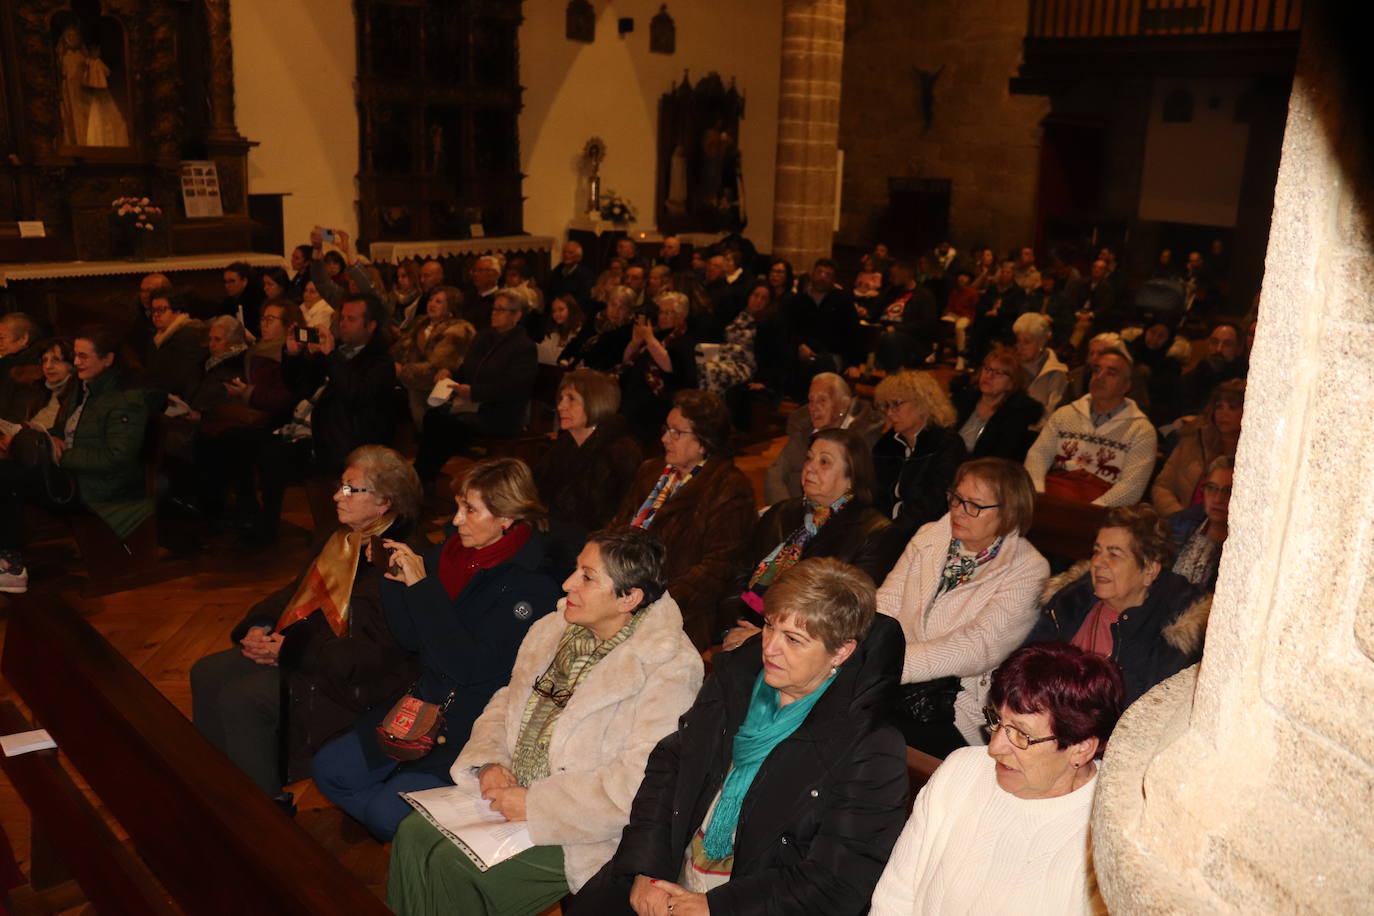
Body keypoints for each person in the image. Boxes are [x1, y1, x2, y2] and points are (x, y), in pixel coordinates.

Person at [387, 528, 704, 916]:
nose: (568, 583)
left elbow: (640, 784)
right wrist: (490, 762)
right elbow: (508, 700)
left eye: (587, 577)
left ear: (629, 598)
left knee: (452, 868)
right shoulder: (553, 628)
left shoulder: (669, 666)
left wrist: (536, 805)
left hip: (589, 830)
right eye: (575, 570)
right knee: (412, 836)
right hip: (512, 797)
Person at [567, 558, 910, 916]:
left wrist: (714, 908)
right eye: (769, 626)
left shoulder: (870, 747)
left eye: (794, 639)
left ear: (841, 651)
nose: (771, 648)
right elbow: (670, 768)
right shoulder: (738, 680)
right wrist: (646, 867)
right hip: (669, 874)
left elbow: (836, 883)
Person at [311, 458, 565, 840]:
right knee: (330, 769)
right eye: (459, 505)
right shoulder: (452, 555)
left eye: (470, 510)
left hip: (471, 726)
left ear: (506, 518)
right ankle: (427, 838)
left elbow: (468, 665)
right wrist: (396, 582)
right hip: (423, 703)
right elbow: (411, 639)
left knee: (385, 813)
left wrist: (421, 588)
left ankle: (428, 842)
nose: (457, 520)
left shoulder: (532, 587)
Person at [190, 446, 424, 810]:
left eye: (350, 489)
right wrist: (261, 624)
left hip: (354, 681)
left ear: (383, 503)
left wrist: (289, 649)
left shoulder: (397, 561)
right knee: (207, 671)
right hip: (309, 650)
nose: (336, 496)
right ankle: (221, 784)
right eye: (340, 486)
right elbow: (297, 589)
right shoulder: (341, 538)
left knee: (242, 697)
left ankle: (266, 807)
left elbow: (363, 657)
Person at [869, 643, 1124, 915]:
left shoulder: (1109, 834)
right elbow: (894, 898)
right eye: (998, 721)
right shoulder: (961, 770)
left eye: (1021, 734)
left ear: (1081, 748)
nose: (995, 747)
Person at [876, 458, 1049, 755]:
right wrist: (872, 653)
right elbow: (887, 602)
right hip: (890, 681)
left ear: (1008, 512)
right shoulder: (930, 535)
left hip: (957, 705)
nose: (958, 509)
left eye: (975, 505)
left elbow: (978, 647)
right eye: (956, 498)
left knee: (876, 742)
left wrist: (890, 663)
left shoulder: (1028, 569)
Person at [0, 326, 157, 594]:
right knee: (7, 470)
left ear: (107, 360)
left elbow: (117, 458)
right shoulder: (84, 388)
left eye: (83, 357)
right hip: (74, 474)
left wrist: (62, 454)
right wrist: (52, 438)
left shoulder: (125, 400)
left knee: (6, 476)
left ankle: (11, 564)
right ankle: (7, 555)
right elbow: (67, 427)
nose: (76, 362)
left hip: (100, 485)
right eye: (76, 356)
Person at [721, 427, 904, 647]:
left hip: (806, 646)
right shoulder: (780, 513)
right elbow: (740, 573)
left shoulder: (875, 533)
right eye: (809, 458)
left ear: (851, 478)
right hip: (745, 630)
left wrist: (763, 637)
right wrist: (731, 626)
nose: (810, 468)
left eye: (824, 462)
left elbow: (841, 613)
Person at [1025, 504, 1210, 704]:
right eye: (1097, 551)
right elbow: (1027, 667)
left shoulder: (1173, 637)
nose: (1097, 562)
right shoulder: (1071, 601)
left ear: (1149, 570)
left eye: (1114, 554)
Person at [613, 389, 755, 649]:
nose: (665, 438)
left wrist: (655, 602)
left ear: (704, 441)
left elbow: (717, 567)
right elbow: (618, 527)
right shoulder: (651, 472)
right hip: (622, 590)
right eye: (666, 428)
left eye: (677, 432)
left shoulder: (729, 488)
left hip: (680, 613)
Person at [413, 288, 538, 486]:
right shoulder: (484, 337)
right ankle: (424, 476)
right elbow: (466, 368)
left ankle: (423, 477)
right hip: (473, 405)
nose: (494, 313)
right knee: (433, 417)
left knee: (447, 424)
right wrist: (450, 374)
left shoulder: (523, 347)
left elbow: (514, 388)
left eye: (501, 309)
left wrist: (474, 392)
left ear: (517, 315)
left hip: (501, 413)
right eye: (494, 308)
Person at [1025, 346, 1158, 506]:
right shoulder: (1065, 414)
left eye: (1111, 373)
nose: (1099, 377)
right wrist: (1038, 495)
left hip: (1099, 511)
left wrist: (1092, 511)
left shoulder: (1141, 431)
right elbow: (1038, 456)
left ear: (1126, 386)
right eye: (1096, 370)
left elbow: (1131, 488)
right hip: (1052, 497)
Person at [534, 369, 642, 557]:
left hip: (594, 549)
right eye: (561, 398)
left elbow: (615, 519)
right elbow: (536, 489)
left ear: (595, 402)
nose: (560, 406)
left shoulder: (621, 453)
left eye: (571, 399)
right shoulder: (565, 444)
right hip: (556, 537)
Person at [763, 372, 884, 505]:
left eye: (822, 400)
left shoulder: (861, 437)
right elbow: (776, 472)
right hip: (797, 509)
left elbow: (860, 489)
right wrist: (784, 510)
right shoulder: (805, 429)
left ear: (842, 405)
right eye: (811, 400)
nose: (813, 407)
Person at [871, 370, 968, 534]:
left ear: (922, 403)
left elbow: (933, 505)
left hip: (921, 533)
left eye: (896, 404)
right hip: (881, 529)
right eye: (886, 406)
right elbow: (871, 492)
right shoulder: (886, 444)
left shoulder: (947, 443)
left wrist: (890, 532)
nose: (889, 412)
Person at [1152, 379, 1244, 518]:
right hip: (1183, 525)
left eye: (1232, 407)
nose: (1223, 414)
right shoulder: (1192, 440)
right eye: (1219, 407)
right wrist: (1181, 518)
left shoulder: (1257, 453)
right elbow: (1162, 487)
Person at [390, 284, 476, 430]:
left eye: (439, 301)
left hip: (438, 390)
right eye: (431, 300)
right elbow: (398, 351)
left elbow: (440, 365)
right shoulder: (420, 323)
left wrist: (403, 371)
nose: (432, 304)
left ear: (451, 307)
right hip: (412, 385)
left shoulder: (459, 329)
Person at [619, 291, 698, 442]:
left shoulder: (683, 339)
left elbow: (669, 367)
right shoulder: (657, 334)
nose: (661, 316)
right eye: (661, 312)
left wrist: (649, 339)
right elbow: (626, 361)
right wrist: (635, 342)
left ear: (681, 316)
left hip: (663, 397)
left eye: (668, 312)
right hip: (635, 393)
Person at [950, 345, 1044, 462]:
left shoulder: (1015, 416)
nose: (989, 376)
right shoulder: (963, 400)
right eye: (987, 369)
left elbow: (1000, 458)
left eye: (999, 373)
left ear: (1011, 384)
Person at [1169, 455, 1233, 592]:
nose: (1217, 499)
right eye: (1212, 488)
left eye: (1229, 491)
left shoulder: (1241, 550)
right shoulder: (1180, 525)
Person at [142, 288, 208, 402]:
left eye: (161, 309)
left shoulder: (188, 334)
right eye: (153, 310)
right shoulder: (158, 336)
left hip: (183, 399)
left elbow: (179, 377)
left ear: (177, 311)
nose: (156, 315)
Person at [1012, 312, 1067, 422]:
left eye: (1027, 342)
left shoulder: (1056, 373)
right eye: (1018, 341)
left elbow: (1051, 416)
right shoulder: (1011, 365)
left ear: (1041, 343)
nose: (1020, 347)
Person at [0, 312, 43, 423]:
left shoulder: (34, 364)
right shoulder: (8, 361)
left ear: (23, 338)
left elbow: (19, 410)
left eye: (1, 338)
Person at [537, 294, 584, 366]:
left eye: (561, 309)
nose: (556, 314)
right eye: (554, 311)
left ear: (571, 309)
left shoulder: (580, 332)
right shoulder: (553, 332)